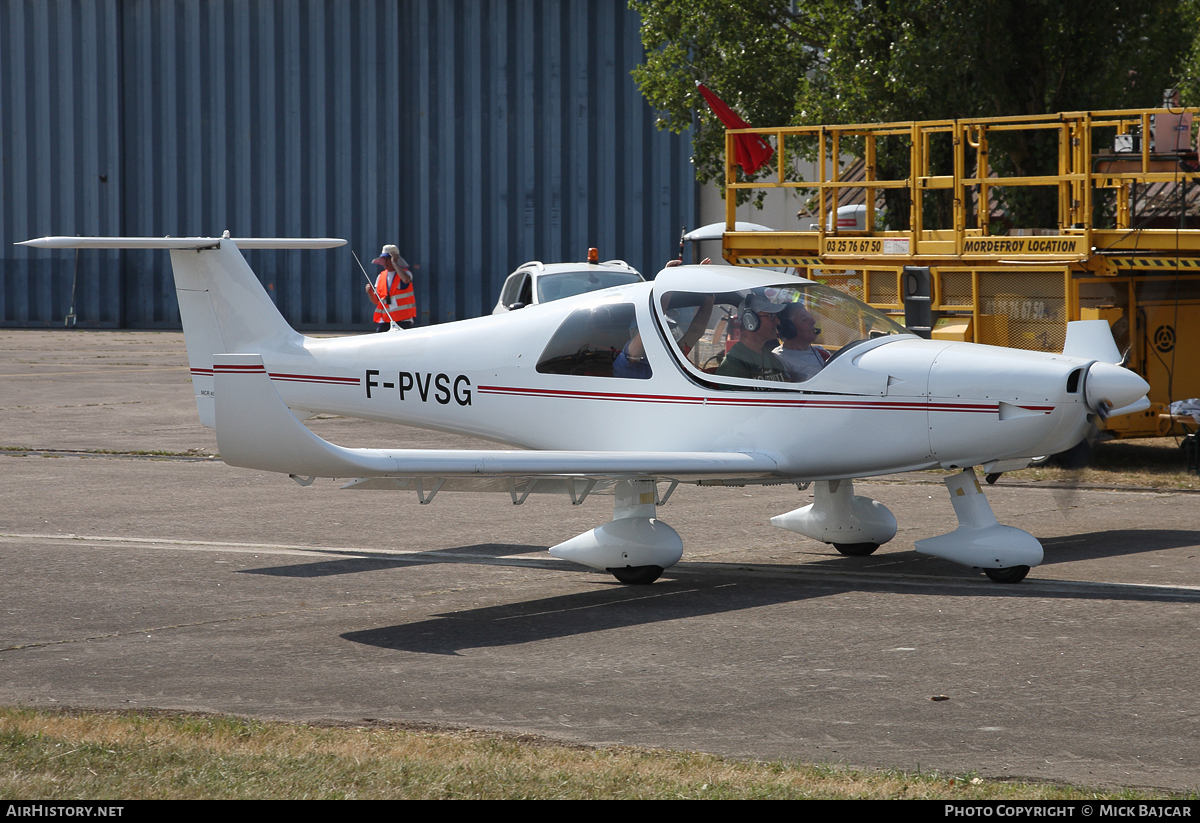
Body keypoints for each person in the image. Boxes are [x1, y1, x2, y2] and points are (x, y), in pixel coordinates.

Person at [715, 293, 787, 381]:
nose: (777, 322)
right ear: (750, 321)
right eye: (771, 316)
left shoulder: (771, 358)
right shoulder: (733, 363)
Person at [774, 302, 830, 382]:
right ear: (789, 329)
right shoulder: (779, 360)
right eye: (804, 319)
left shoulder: (821, 353)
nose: (813, 321)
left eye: (810, 317)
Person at [367, 244, 416, 331]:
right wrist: (370, 293)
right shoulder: (381, 276)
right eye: (384, 259)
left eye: (388, 259)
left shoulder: (406, 273)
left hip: (403, 319)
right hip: (385, 319)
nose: (385, 262)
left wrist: (395, 263)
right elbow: (376, 301)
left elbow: (406, 280)